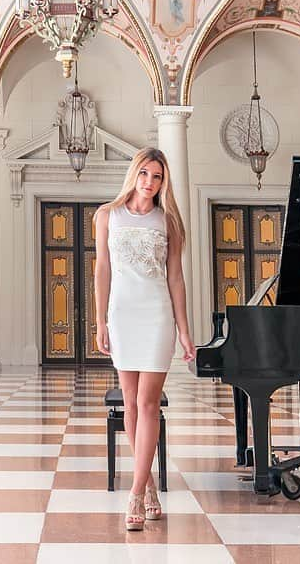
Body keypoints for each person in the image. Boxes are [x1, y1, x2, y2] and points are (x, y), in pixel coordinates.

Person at [94, 147, 196, 532]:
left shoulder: (167, 222)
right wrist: (101, 321)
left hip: (156, 316)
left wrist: (184, 330)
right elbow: (102, 270)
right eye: (145, 174)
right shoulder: (107, 215)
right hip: (122, 315)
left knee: (148, 403)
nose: (150, 182)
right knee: (131, 406)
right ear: (134, 174)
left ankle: (135, 492)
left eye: (157, 177)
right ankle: (149, 485)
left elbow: (175, 278)